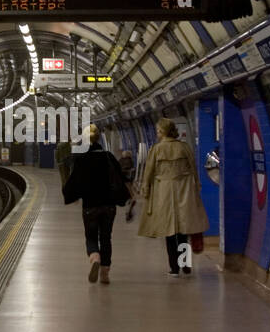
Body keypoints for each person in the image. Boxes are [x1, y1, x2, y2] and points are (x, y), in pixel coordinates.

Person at [137, 117, 209, 277]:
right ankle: (186, 264)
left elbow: (148, 172)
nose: (156, 133)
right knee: (184, 229)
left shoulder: (156, 149)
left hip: (163, 192)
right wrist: (196, 186)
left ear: (162, 132)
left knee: (169, 231)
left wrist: (146, 190)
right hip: (184, 190)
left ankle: (174, 268)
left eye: (158, 131)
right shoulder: (184, 147)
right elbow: (193, 169)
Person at [62, 124, 129, 284]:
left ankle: (94, 257)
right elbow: (121, 178)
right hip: (109, 206)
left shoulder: (81, 158)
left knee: (91, 236)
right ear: (99, 138)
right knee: (106, 238)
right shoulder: (108, 157)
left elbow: (73, 182)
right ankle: (105, 274)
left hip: (90, 206)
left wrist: (73, 196)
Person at [118, 148, 137, 222]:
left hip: (122, 181)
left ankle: (129, 202)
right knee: (131, 196)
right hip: (128, 180)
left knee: (128, 196)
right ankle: (130, 202)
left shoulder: (120, 160)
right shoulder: (130, 161)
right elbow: (132, 170)